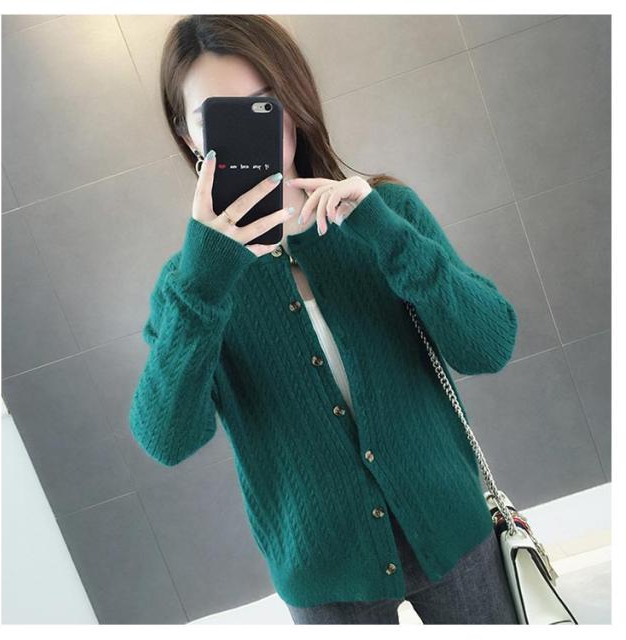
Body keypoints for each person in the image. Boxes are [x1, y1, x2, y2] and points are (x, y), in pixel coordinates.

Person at [130, 15, 520, 624]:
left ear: (295, 97)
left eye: (265, 103)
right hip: (325, 573)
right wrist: (205, 280)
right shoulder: (189, 285)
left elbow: (488, 347)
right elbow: (168, 439)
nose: (252, 128)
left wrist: (387, 235)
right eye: (219, 116)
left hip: (452, 529)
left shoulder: (386, 212)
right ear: (187, 133)